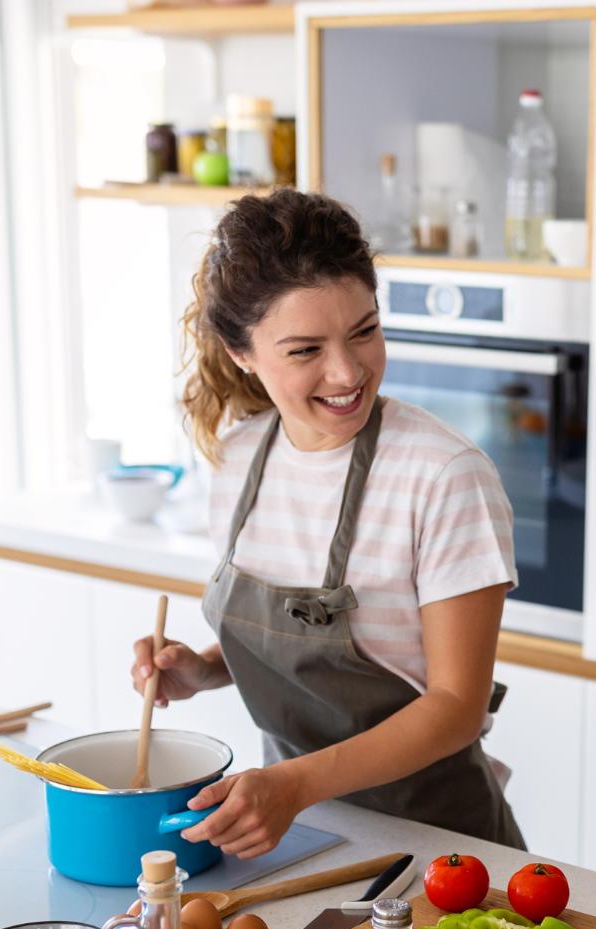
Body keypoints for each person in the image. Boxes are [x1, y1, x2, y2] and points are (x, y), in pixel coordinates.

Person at [130, 191, 525, 858]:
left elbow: (458, 705)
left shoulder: (444, 475)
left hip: (439, 848)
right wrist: (202, 669)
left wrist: (293, 785)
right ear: (241, 352)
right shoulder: (238, 459)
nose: (347, 372)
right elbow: (301, 653)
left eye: (364, 331)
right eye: (305, 349)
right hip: (302, 837)